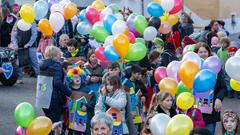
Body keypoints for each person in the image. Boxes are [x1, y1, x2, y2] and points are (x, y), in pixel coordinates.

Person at [40, 46, 74, 135]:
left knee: (48, 121)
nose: (60, 56)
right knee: (55, 124)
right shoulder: (56, 65)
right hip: (53, 98)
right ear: (55, 55)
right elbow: (57, 83)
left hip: (42, 98)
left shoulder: (43, 65)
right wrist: (70, 94)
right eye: (59, 54)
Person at [194, 42, 226, 134]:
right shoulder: (192, 68)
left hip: (211, 111)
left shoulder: (215, 67)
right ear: (196, 53)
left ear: (209, 53)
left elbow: (223, 87)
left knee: (209, 132)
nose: (203, 54)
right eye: (200, 52)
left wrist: (219, 99)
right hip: (195, 110)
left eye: (205, 51)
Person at [67, 67, 96, 135]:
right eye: (74, 77)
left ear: (81, 77)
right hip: (74, 118)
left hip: (86, 117)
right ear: (71, 79)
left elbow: (94, 99)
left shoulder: (87, 89)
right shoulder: (69, 91)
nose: (77, 78)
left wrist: (87, 106)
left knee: (87, 132)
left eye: (78, 77)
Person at [11, 19, 39, 84]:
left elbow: (34, 34)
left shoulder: (32, 22)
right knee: (19, 62)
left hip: (31, 46)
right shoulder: (17, 22)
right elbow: (13, 34)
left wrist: (29, 44)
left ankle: (40, 77)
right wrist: (15, 45)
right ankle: (19, 78)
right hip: (20, 46)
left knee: (34, 62)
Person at [122, 64, 148, 133]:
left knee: (139, 126)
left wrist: (144, 96)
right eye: (138, 74)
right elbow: (128, 96)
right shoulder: (127, 83)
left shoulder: (139, 83)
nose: (140, 76)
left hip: (139, 108)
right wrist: (136, 95)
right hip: (130, 108)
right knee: (131, 125)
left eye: (141, 74)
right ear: (133, 73)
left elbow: (145, 92)